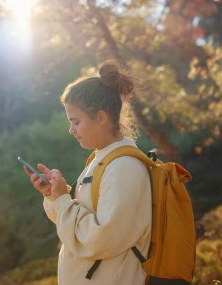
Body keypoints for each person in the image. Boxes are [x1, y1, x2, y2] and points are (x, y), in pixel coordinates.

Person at [23, 61, 152, 285]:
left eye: (76, 122)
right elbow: (77, 221)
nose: (71, 130)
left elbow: (101, 239)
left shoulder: (124, 168)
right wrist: (54, 195)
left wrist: (63, 198)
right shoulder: (102, 160)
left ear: (101, 117)